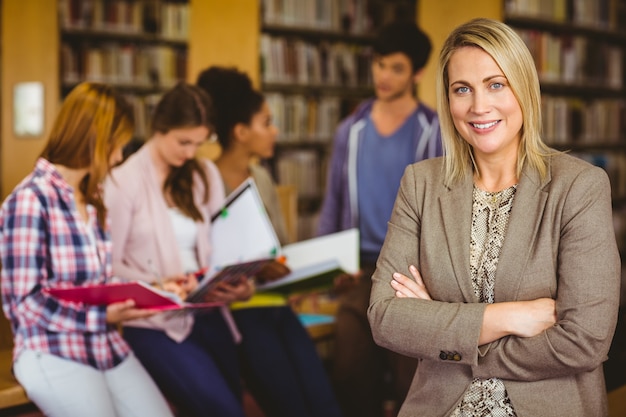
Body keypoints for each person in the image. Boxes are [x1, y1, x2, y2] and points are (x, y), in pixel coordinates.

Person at [368, 17, 621, 417]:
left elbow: (583, 341)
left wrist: (446, 334)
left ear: (523, 88)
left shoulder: (580, 187)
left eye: (495, 84)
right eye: (462, 89)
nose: (478, 106)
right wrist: (509, 316)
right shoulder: (420, 184)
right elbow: (385, 318)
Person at [0, 82, 174, 417]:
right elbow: (24, 303)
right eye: (117, 146)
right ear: (95, 139)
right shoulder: (30, 201)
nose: (119, 157)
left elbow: (94, 285)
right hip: (51, 349)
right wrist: (101, 315)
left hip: (104, 345)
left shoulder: (93, 203)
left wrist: (142, 295)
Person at [196, 65, 342, 417]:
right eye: (267, 122)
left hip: (276, 304)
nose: (275, 131)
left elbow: (281, 248)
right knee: (291, 405)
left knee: (323, 401)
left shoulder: (261, 176)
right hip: (241, 314)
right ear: (240, 131)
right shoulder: (204, 182)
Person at [104, 82, 253, 417]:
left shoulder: (204, 173)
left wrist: (234, 280)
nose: (190, 153)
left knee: (235, 405)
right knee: (223, 409)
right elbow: (107, 270)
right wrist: (160, 286)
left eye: (199, 144)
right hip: (153, 322)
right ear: (160, 128)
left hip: (206, 309)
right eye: (183, 142)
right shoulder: (123, 180)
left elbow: (220, 248)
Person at [316, 19, 442, 417]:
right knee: (350, 365)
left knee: (412, 372)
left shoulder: (434, 130)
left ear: (417, 73)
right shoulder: (349, 131)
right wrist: (326, 266)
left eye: (397, 68)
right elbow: (333, 204)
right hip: (359, 272)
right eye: (379, 64)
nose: (384, 76)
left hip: (413, 271)